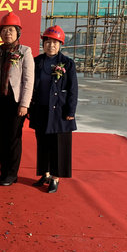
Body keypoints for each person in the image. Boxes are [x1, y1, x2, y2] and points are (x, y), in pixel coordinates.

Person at [0, 11, 34, 186]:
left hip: (15, 102)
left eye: (11, 30)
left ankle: (12, 174)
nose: (7, 33)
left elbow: (28, 80)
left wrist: (24, 104)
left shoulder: (24, 51)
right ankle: (3, 171)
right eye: (4, 30)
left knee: (13, 138)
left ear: (18, 32)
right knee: (2, 138)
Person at [28, 25, 78, 193]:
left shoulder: (67, 63)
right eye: (48, 42)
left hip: (59, 111)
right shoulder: (37, 62)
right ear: (43, 43)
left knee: (58, 145)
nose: (51, 45)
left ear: (60, 44)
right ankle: (45, 173)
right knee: (43, 143)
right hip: (41, 109)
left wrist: (70, 111)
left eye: (55, 42)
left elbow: (73, 89)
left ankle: (55, 178)